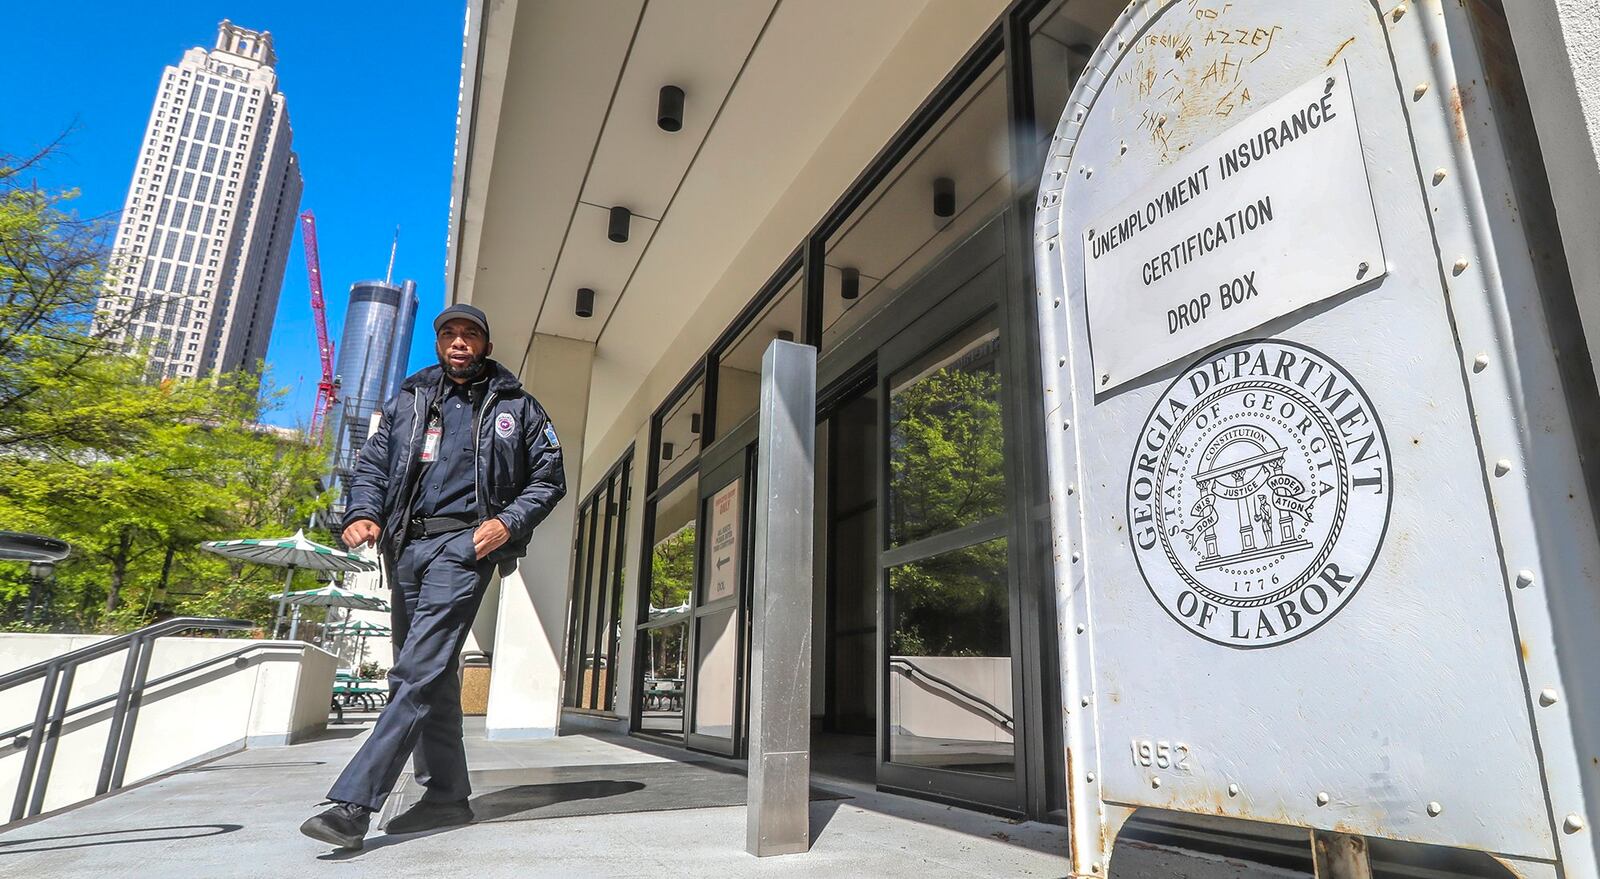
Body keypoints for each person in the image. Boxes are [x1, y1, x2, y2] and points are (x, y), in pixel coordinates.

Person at [300, 303, 566, 850]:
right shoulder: (411, 400)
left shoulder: (517, 405)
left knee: (417, 670)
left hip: (464, 546)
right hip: (407, 549)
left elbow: (549, 476)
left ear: (487, 346)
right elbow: (374, 466)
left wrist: (505, 523)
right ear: (439, 343)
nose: (460, 342)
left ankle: (354, 804)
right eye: (450, 333)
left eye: (471, 334)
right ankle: (446, 795)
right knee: (433, 673)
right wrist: (362, 512)